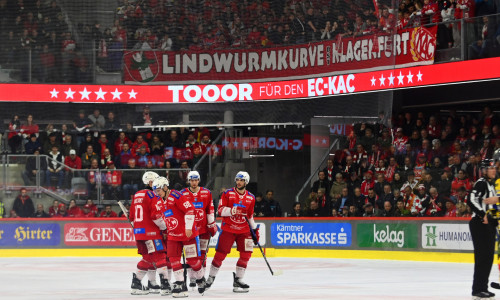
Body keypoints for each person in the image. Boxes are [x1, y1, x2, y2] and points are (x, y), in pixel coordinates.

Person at [205, 171, 259, 293]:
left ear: (246, 182)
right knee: (220, 254)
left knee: (246, 255)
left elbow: (250, 216)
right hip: (228, 229)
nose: (239, 182)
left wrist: (254, 230)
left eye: (242, 180)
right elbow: (220, 210)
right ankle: (210, 277)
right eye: (238, 179)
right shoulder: (227, 194)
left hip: (244, 231)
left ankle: (239, 279)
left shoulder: (251, 197)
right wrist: (234, 210)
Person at [155, 176, 206, 297]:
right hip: (173, 235)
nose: (157, 193)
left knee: (193, 261)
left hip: (187, 234)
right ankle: (180, 283)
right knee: (173, 259)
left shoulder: (176, 196)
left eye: (158, 190)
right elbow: (165, 216)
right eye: (155, 191)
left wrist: (188, 227)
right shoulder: (160, 201)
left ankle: (200, 278)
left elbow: (190, 210)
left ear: (165, 187)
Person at [129, 171, 171, 296]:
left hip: (139, 233)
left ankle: (136, 283)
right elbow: (156, 216)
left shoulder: (137, 195)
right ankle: (165, 284)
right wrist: (165, 228)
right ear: (151, 182)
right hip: (151, 233)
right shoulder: (153, 195)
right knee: (160, 257)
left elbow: (131, 217)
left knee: (147, 258)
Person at [180, 171, 218, 289]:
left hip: (203, 230)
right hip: (189, 230)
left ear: (199, 180)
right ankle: (192, 277)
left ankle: (201, 277)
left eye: (196, 180)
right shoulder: (182, 194)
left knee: (202, 254)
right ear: (188, 181)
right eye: (192, 180)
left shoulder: (207, 193)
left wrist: (212, 225)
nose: (194, 182)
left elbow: (210, 210)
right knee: (191, 254)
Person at [468, 159, 499, 299]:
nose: (494, 171)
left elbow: (492, 205)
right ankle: (478, 289)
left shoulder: (490, 184)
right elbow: (471, 199)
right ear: (484, 170)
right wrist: (482, 215)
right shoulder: (481, 183)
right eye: (491, 168)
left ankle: (483, 287)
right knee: (482, 257)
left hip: (488, 224)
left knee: (487, 258)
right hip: (480, 224)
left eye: (494, 168)